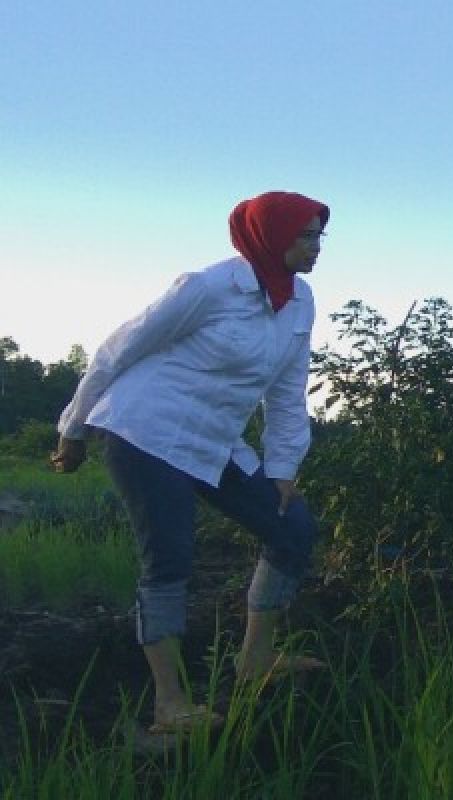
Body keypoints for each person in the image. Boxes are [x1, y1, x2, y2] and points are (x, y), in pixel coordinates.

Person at [51, 191, 330, 733]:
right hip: (147, 433)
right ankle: (169, 705)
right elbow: (118, 350)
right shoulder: (207, 288)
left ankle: (255, 661)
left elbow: (288, 392)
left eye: (320, 236)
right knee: (170, 560)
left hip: (216, 442)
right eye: (305, 236)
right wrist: (74, 427)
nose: (316, 248)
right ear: (270, 236)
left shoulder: (299, 301)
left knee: (293, 527)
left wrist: (284, 467)